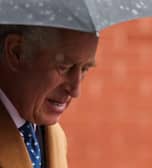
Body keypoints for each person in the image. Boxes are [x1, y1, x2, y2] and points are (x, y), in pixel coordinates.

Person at [0, 25, 98, 168]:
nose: (75, 91)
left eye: (84, 69)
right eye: (64, 67)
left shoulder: (55, 138)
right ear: (17, 52)